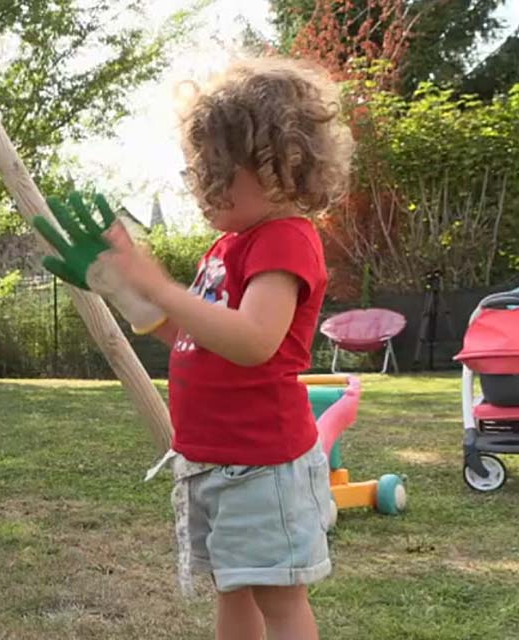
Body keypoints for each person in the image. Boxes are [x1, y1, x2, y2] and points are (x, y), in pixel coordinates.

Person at [34, 56, 353, 640]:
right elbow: (194, 339)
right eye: (195, 171)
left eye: (214, 170)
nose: (200, 186)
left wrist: (158, 284)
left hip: (262, 467)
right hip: (214, 460)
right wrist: (130, 296)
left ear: (281, 165)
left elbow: (255, 341)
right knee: (233, 588)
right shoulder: (227, 247)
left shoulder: (284, 240)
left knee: (278, 599)